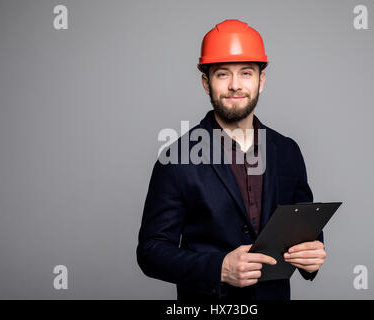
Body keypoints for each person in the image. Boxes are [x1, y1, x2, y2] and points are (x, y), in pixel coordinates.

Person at [137, 19, 326, 301]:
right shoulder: (175, 159)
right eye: (223, 74)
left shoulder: (287, 151)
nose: (235, 86)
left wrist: (313, 253)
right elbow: (150, 251)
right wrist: (219, 268)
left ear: (261, 81)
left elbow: (304, 226)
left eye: (246, 73)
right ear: (206, 83)